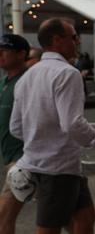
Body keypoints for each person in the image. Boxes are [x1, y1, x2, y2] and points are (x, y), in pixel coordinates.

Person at [10, 18, 95, 234]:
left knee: (85, 217)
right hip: (57, 166)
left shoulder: (26, 77)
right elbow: (72, 123)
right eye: (74, 37)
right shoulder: (67, 73)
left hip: (47, 163)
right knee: (49, 226)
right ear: (57, 40)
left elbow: (16, 128)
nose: (77, 42)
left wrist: (39, 136)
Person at [0, 34, 30, 234]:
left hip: (23, 160)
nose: (0, 55)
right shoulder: (5, 81)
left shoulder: (26, 82)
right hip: (11, 156)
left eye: (5, 50)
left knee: (3, 218)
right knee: (71, 218)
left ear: (21, 54)